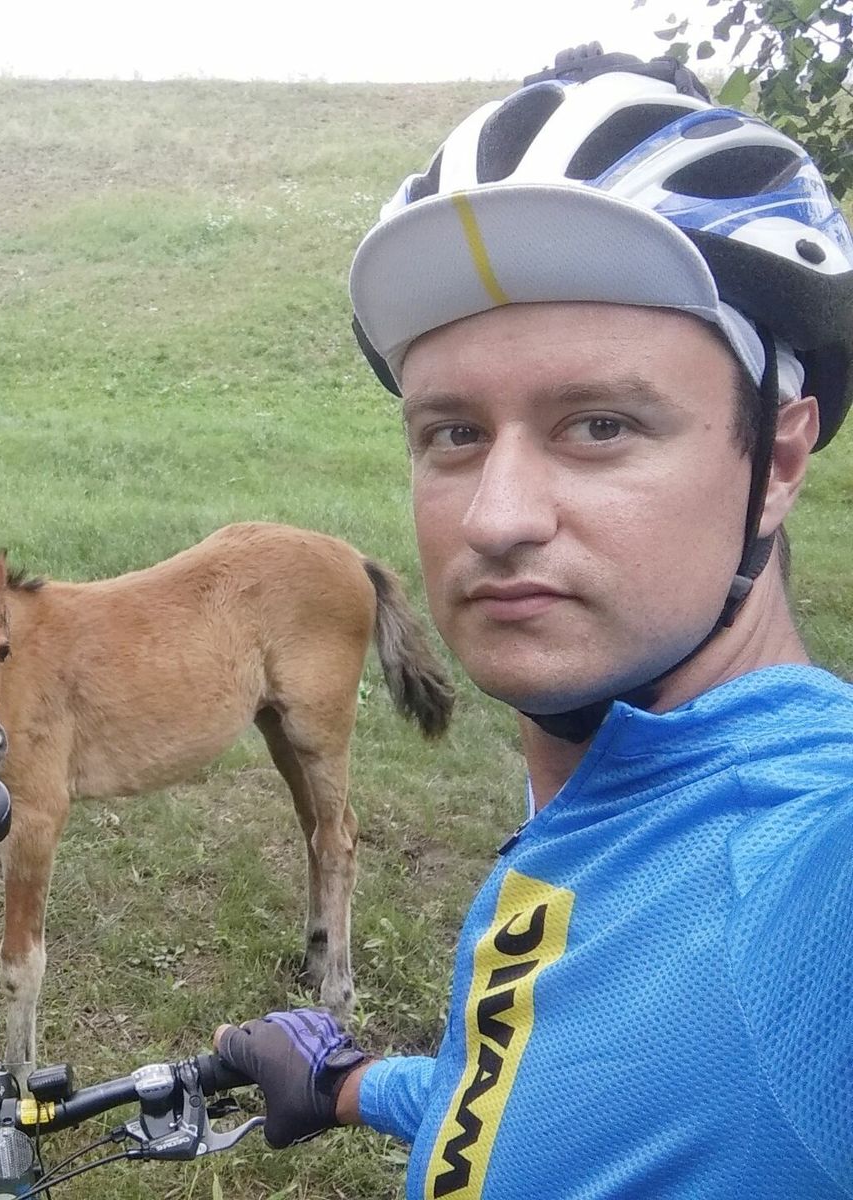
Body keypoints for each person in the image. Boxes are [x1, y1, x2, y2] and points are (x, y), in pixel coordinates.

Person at [213, 45, 853, 1199]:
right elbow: (559, 1081)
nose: (496, 518)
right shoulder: (612, 797)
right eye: (453, 433)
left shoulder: (810, 862)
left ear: (777, 462)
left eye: (600, 425)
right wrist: (355, 1085)